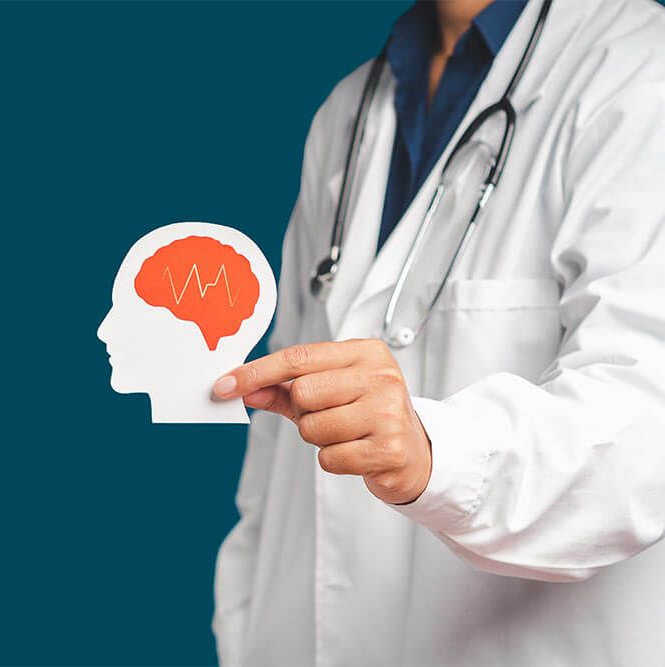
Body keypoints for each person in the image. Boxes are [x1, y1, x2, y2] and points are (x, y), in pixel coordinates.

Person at [210, 0, 665, 664]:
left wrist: (435, 454)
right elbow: (274, 471)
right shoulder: (350, 111)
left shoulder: (638, 72)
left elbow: (643, 431)